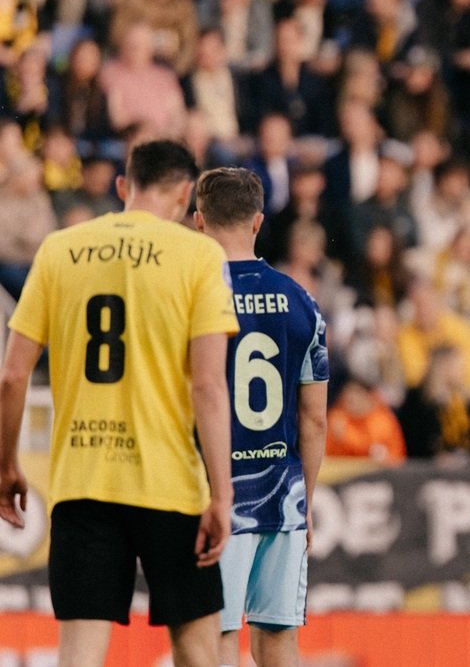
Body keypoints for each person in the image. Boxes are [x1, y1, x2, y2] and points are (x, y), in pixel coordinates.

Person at [0, 139, 237, 667]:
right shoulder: (199, 256)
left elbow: (13, 376)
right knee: (198, 652)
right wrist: (222, 496)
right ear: (185, 195)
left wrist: (5, 465)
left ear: (124, 186)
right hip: (170, 486)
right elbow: (208, 386)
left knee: (80, 656)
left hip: (83, 482)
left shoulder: (60, 249)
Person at [192, 167, 329, 667]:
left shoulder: (192, 293)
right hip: (282, 494)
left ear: (199, 221)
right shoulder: (302, 301)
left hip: (215, 495)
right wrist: (304, 501)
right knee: (278, 637)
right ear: (258, 221)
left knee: (218, 635)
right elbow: (314, 419)